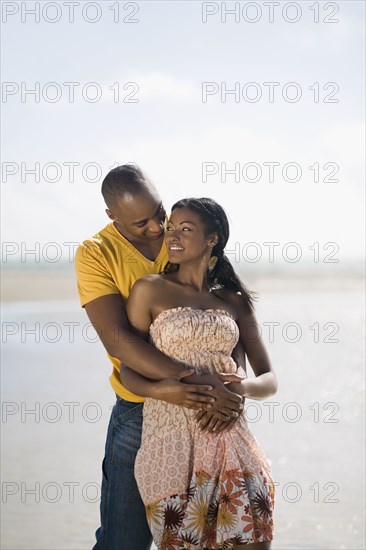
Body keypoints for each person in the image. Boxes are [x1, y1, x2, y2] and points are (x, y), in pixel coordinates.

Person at [74, 166, 246, 550]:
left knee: (205, 538)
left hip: (207, 413)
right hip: (140, 410)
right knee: (124, 541)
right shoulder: (95, 254)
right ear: (111, 217)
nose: (156, 228)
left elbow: (221, 316)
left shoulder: (179, 235)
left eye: (159, 213)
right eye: (141, 223)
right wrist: (201, 381)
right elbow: (120, 342)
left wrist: (232, 389)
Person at [120, 197, 278, 549]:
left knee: (253, 540)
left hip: (232, 439)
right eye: (171, 229)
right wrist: (168, 391)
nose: (172, 236)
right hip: (171, 444)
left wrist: (242, 389)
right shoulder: (149, 289)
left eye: (186, 229)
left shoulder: (234, 300)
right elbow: (129, 373)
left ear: (212, 239)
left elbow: (268, 379)